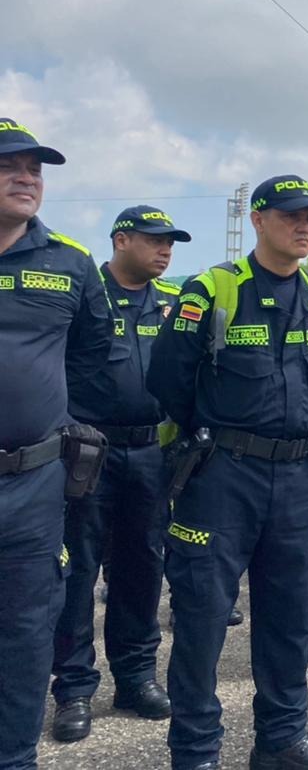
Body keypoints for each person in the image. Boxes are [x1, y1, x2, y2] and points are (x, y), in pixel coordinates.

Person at [148, 174, 308, 770]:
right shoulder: (213, 289)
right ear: (257, 220)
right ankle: (195, 750)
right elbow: (168, 380)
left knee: (288, 616)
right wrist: (215, 435)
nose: (304, 226)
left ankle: (281, 740)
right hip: (223, 476)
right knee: (203, 617)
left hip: (299, 478)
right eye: (291, 216)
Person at [51, 206, 190, 743]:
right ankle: (74, 689)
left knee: (142, 567)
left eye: (171, 242)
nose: (166, 250)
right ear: (121, 239)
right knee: (79, 572)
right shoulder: (87, 297)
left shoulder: (170, 305)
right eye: (155, 240)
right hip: (89, 452)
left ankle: (135, 678)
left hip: (150, 453)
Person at [0, 120, 112, 770]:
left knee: (22, 633)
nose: (27, 178)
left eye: (35, 169)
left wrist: (54, 415)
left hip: (34, 484)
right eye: (10, 166)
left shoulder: (70, 263)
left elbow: (96, 358)